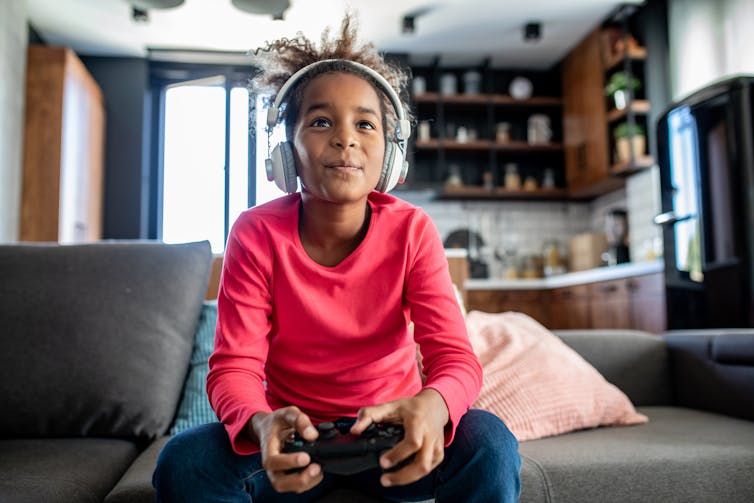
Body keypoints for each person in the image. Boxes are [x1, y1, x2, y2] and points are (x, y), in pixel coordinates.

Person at [153, 13, 520, 503]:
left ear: (389, 156)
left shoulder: (412, 230)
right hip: (294, 442)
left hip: (395, 440)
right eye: (321, 121)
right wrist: (263, 425)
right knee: (185, 461)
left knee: (491, 443)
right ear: (287, 151)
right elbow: (234, 368)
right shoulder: (255, 233)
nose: (346, 138)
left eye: (365, 124)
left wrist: (432, 406)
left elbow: (454, 358)